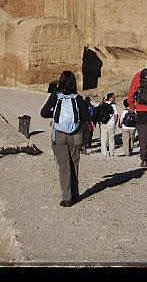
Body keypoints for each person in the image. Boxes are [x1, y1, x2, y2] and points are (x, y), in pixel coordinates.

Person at [40, 70, 91, 207]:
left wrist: (55, 115)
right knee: (74, 163)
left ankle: (66, 197)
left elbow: (43, 113)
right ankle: (75, 194)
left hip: (60, 134)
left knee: (63, 165)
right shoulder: (78, 98)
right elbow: (86, 116)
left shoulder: (55, 96)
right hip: (75, 134)